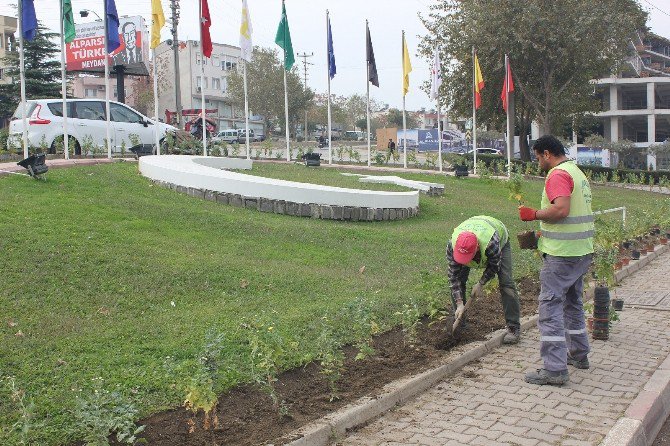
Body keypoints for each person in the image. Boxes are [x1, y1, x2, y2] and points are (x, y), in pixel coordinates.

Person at [518, 135, 594, 386]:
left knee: (549, 307)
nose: (538, 162)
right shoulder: (577, 172)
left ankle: (555, 369)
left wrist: (535, 215)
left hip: (562, 253)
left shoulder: (558, 175)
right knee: (572, 302)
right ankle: (579, 354)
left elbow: (561, 210)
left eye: (538, 157)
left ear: (547, 154)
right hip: (580, 250)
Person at [446, 215, 521, 344]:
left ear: (476, 249)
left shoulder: (491, 244)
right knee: (459, 281)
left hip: (499, 236)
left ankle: (513, 327)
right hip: (472, 229)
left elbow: (494, 266)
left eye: (468, 257)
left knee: (506, 283)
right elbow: (453, 277)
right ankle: (460, 326)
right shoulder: (453, 246)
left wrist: (481, 283)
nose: (466, 261)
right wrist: (459, 303)